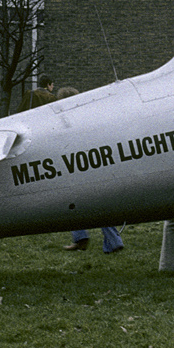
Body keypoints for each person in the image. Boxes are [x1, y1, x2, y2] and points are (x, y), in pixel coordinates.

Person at [54, 86, 125, 254]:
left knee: (74, 203)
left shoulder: (64, 120)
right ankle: (110, 241)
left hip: (77, 167)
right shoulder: (89, 116)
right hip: (94, 164)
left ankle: (83, 238)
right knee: (97, 203)